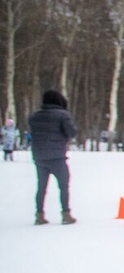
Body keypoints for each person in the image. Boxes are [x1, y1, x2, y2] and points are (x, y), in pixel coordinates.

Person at [29, 89, 79, 225]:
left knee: (41, 187)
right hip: (57, 156)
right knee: (63, 186)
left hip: (39, 156)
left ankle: (39, 215)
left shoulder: (34, 116)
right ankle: (66, 214)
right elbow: (71, 132)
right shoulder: (63, 115)